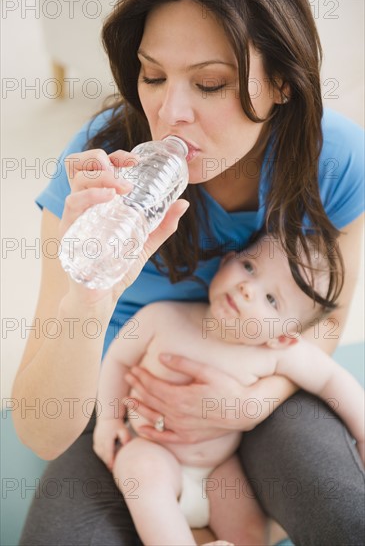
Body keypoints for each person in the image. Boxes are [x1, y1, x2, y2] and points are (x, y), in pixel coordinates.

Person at [13, 0, 364, 544]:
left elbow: (325, 320)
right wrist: (88, 298)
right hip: (128, 410)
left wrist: (249, 402)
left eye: (210, 84)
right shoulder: (99, 169)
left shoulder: (333, 159)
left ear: (282, 83)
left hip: (259, 383)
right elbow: (40, 431)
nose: (171, 111)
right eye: (152, 75)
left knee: (346, 515)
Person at [93, 234, 365, 546]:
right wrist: (109, 421)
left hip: (219, 467)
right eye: (249, 267)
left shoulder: (275, 353)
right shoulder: (161, 318)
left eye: (272, 300)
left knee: (248, 531)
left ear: (284, 336)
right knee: (142, 473)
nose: (248, 289)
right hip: (151, 446)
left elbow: (332, 379)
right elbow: (116, 360)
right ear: (227, 261)